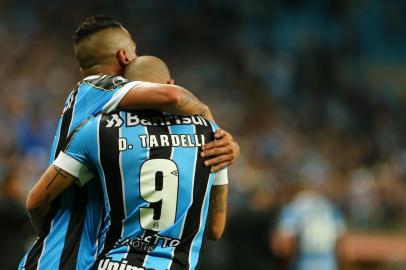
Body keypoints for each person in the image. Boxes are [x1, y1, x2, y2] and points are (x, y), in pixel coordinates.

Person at [19, 15, 238, 270]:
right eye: (135, 49)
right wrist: (212, 126)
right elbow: (173, 95)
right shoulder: (97, 89)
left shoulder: (101, 116)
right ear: (125, 56)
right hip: (63, 260)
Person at [272, 189, 346, 270]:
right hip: (328, 264)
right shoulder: (330, 208)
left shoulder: (293, 208)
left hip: (304, 263)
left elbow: (284, 244)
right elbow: (341, 241)